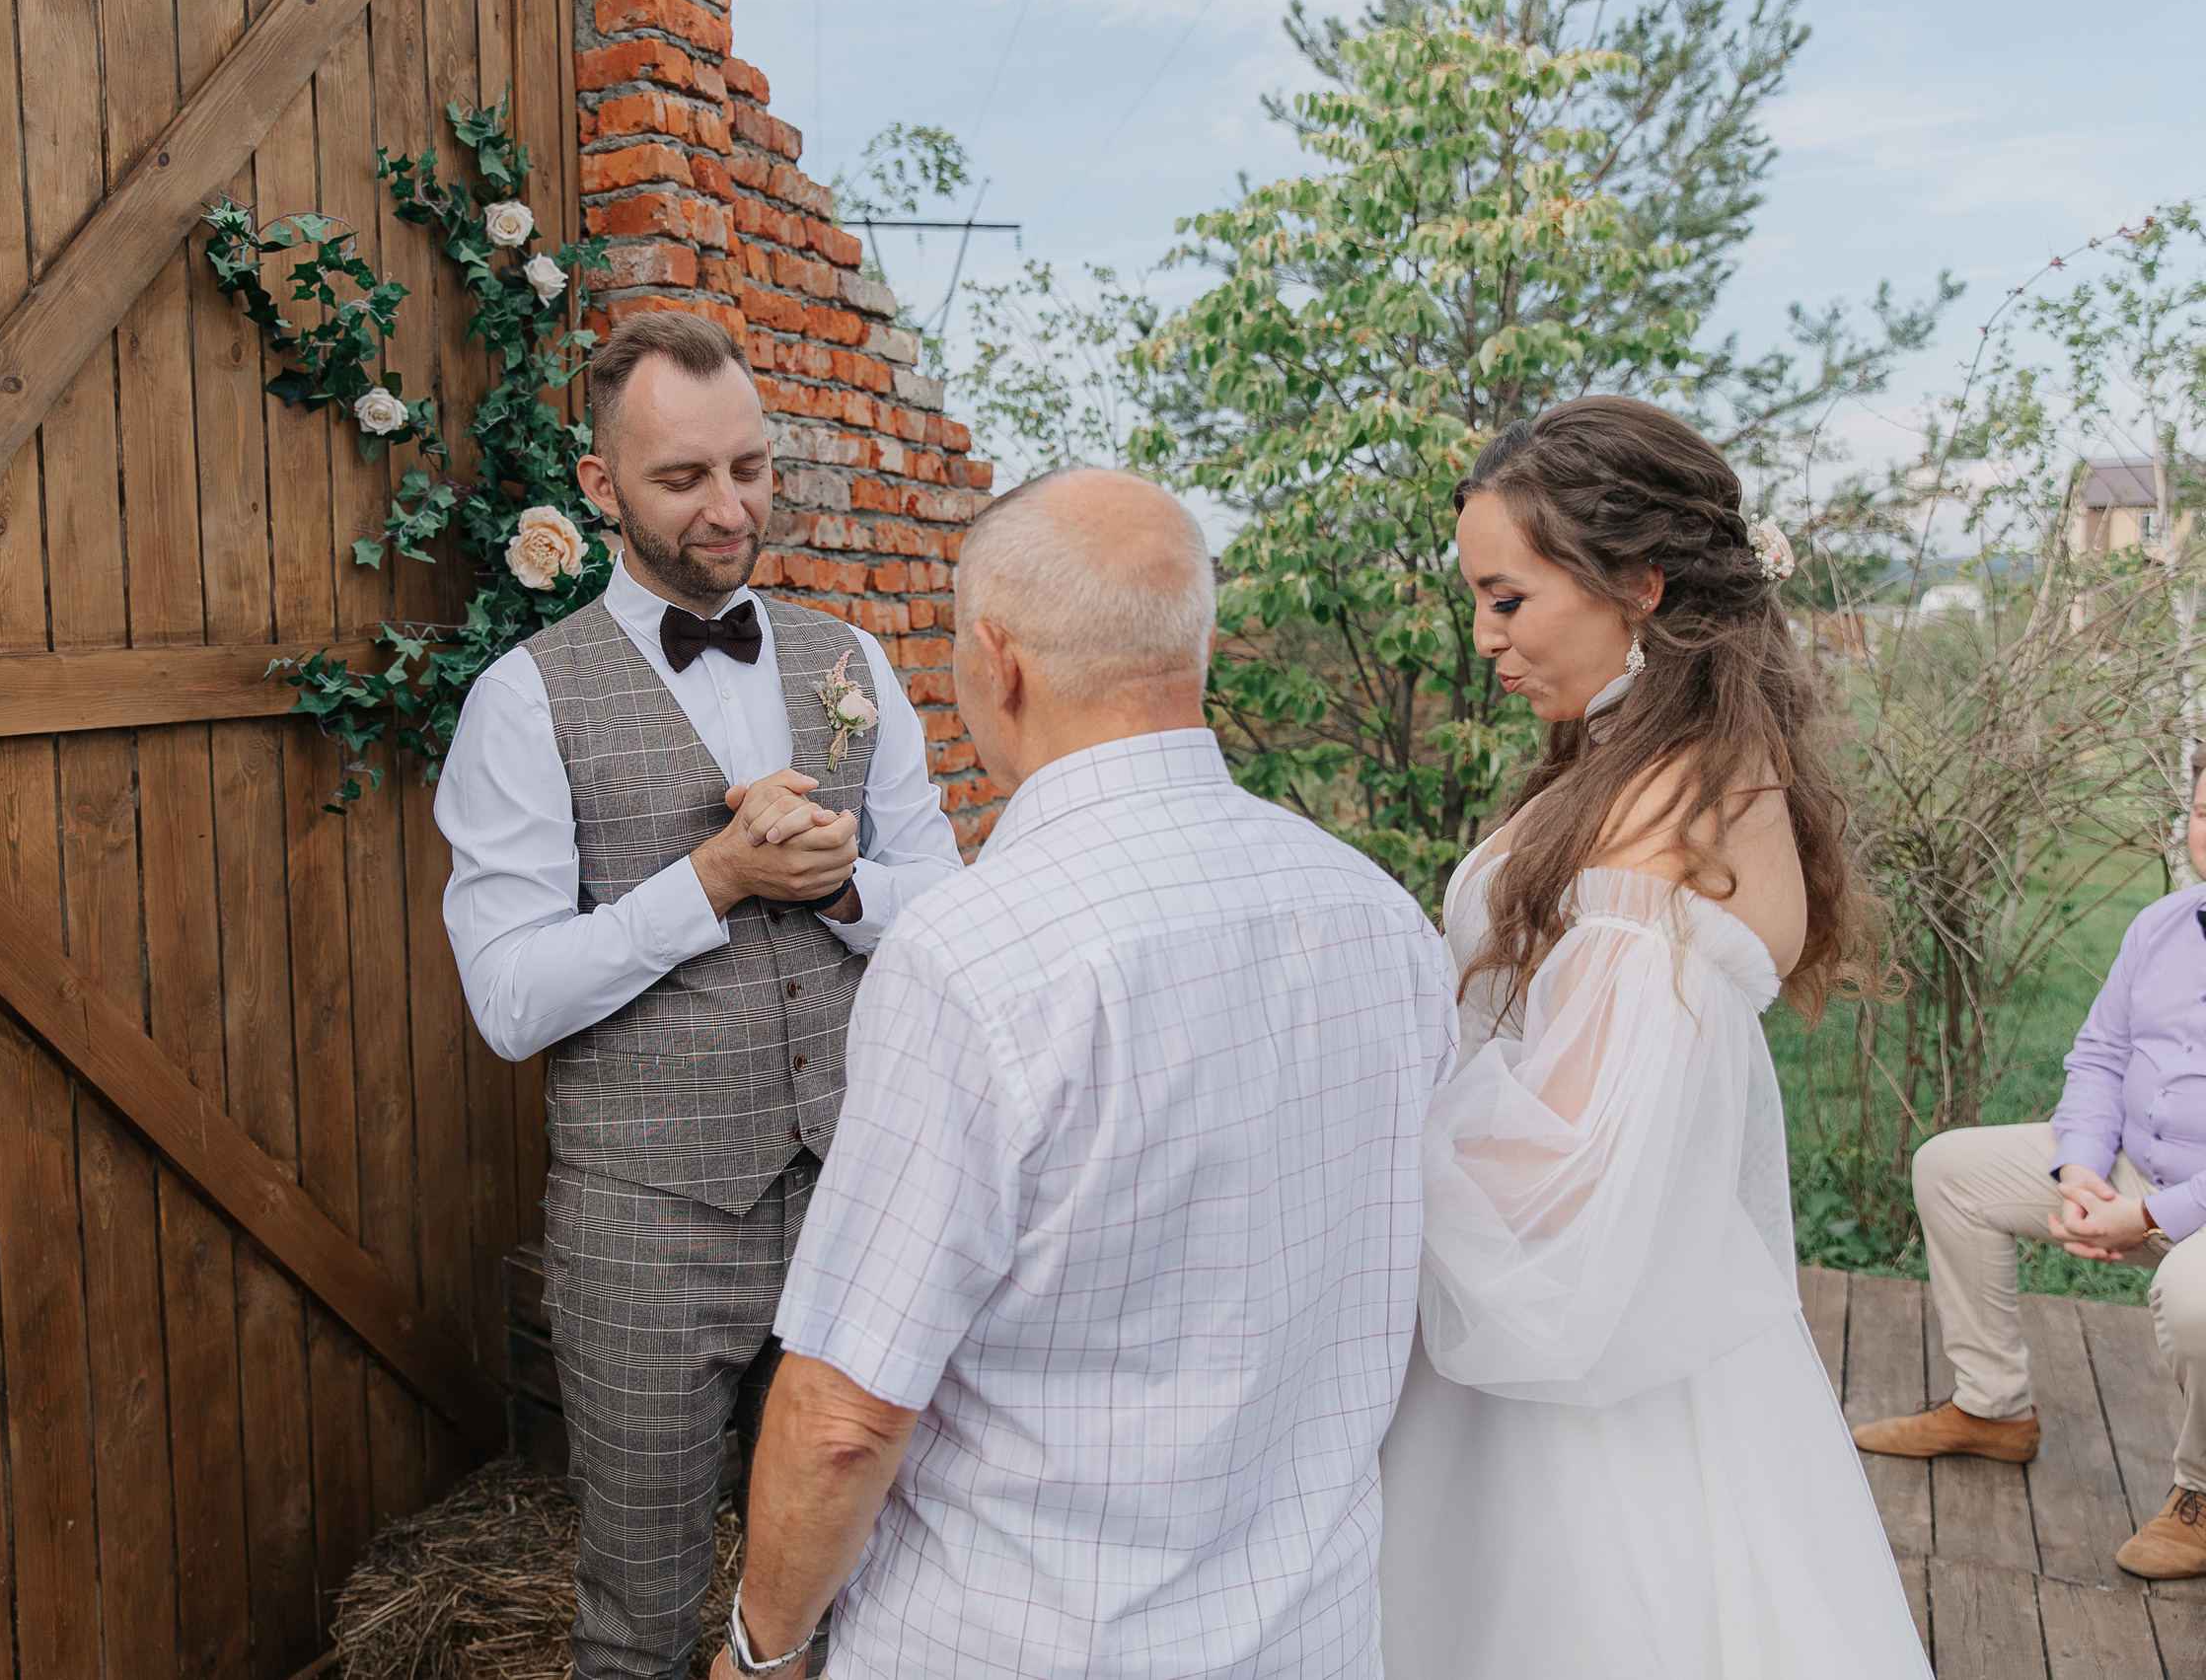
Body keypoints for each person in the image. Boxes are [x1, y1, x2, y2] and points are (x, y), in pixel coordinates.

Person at [705, 470, 1458, 1680]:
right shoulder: (1376, 914)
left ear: (995, 662)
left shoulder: (971, 958)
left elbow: (845, 1416)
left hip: (1023, 1643)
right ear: (1193, 648)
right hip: (1307, 1635)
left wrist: (762, 1651)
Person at [433, 311, 963, 1679]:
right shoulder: (522, 700)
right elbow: (509, 997)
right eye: (682, 478)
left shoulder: (851, 661)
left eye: (750, 467)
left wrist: (846, 890)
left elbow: (951, 910)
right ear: (600, 486)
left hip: (857, 1200)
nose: (729, 509)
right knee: (640, 1611)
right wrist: (713, 879)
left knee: (860, 1582)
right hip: (645, 1229)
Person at [1378, 398, 1930, 1678]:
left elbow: (1562, 1163)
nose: (1484, 637)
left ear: (1642, 582)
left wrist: (1341, 1150)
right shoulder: (1668, 758)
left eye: (1508, 598)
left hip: (1580, 1391)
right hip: (1661, 1313)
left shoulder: (1666, 805)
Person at [1849, 770, 2206, 1580]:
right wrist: (2081, 1169)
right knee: (1951, 1169)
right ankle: (1992, 1407)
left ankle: (2202, 1491)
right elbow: (2101, 1054)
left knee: (2195, 1296)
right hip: (2130, 1168)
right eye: (2202, 811)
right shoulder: (2161, 924)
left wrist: (2150, 1219)